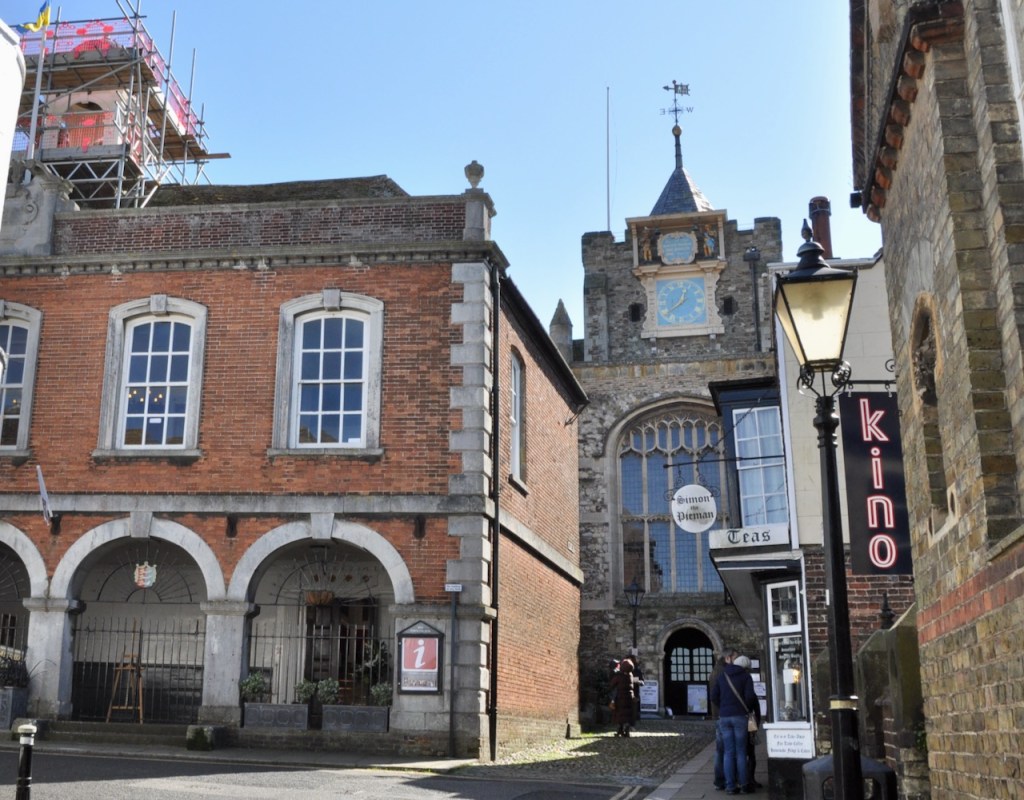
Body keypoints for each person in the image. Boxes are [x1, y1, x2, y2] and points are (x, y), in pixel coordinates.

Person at [711, 652, 757, 794]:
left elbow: (713, 696)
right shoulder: (746, 677)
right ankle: (744, 784)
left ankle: (730, 786)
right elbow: (750, 697)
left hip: (724, 717)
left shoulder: (722, 676)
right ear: (746, 667)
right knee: (741, 752)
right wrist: (747, 709)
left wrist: (723, 707)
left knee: (728, 752)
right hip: (740, 717)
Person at [734, 655, 763, 791]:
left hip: (732, 718)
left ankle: (737, 779)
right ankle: (749, 779)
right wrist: (756, 720)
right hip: (748, 718)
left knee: (735, 751)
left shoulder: (727, 678)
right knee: (750, 752)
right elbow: (753, 700)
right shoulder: (746, 678)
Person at [709, 649, 737, 790]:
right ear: (728, 658)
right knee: (726, 750)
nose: (736, 661)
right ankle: (726, 780)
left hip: (720, 714)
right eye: (735, 658)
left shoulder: (717, 671)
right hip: (724, 714)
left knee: (721, 750)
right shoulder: (723, 673)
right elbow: (715, 696)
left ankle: (720, 780)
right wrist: (724, 707)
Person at [609, 656, 638, 737]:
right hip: (629, 697)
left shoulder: (619, 676)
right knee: (627, 714)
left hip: (620, 697)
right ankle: (627, 730)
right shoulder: (630, 675)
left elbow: (612, 684)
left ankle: (620, 730)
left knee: (620, 714)